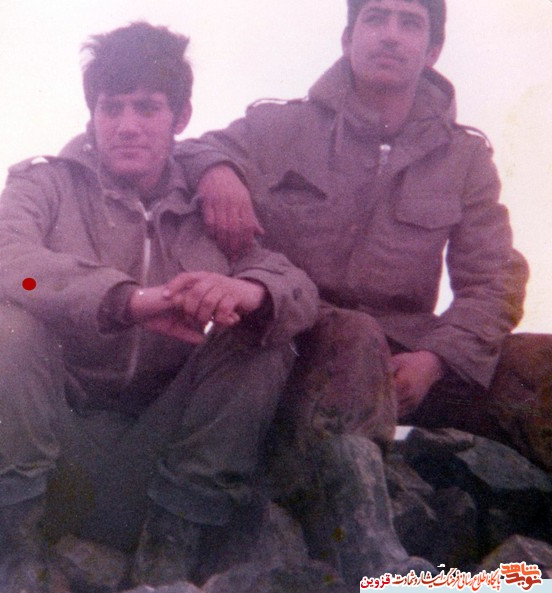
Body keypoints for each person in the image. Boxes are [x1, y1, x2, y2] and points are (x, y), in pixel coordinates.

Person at [176, 0, 551, 583]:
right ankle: (366, 557)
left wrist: (436, 359)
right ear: (348, 37)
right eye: (376, 19)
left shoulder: (465, 157)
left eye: (410, 22)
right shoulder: (283, 127)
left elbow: (495, 278)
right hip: (303, 339)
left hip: (412, 358)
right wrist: (217, 173)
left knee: (541, 366)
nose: (390, 36)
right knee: (355, 337)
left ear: (432, 50)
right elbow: (190, 149)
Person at [0, 22, 319, 590]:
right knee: (3, 327)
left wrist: (253, 292)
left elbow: (296, 286)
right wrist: (124, 300)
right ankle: (17, 558)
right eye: (111, 107)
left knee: (260, 340)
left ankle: (167, 557)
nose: (126, 126)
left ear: (181, 117)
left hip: (155, 461)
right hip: (54, 450)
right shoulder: (48, 186)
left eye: (147, 108)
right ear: (92, 114)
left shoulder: (209, 210)